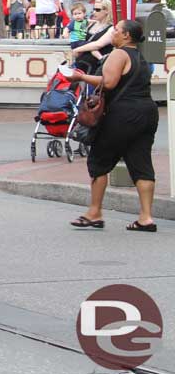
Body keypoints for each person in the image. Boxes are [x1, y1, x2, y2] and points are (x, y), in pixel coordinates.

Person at [69, 19, 158, 232]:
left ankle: (94, 212)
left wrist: (80, 76)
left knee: (99, 160)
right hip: (147, 112)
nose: (112, 33)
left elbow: (108, 83)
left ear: (127, 35)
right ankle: (146, 217)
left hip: (122, 114)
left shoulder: (119, 54)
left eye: (116, 30)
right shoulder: (140, 57)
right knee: (141, 162)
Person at [72, 0, 114, 71]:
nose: (94, 12)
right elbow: (78, 35)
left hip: (97, 68)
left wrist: (77, 49)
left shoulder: (112, 28)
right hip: (81, 65)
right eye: (93, 9)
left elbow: (98, 44)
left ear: (107, 11)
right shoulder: (91, 23)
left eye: (97, 10)